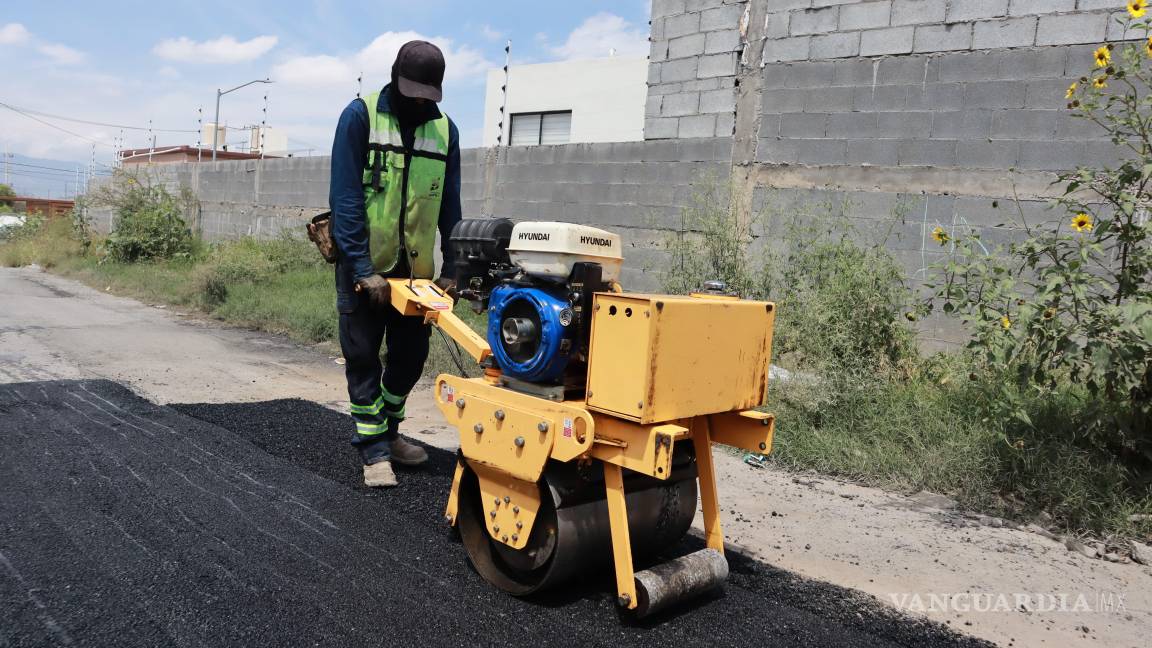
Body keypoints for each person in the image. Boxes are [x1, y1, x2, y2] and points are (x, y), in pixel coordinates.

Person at [328, 40, 461, 487]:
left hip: (416, 272)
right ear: (394, 77)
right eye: (413, 90)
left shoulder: (446, 131)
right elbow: (345, 198)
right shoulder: (360, 116)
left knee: (408, 359)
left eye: (428, 93)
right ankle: (373, 452)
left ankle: (389, 432)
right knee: (363, 356)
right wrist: (363, 267)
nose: (420, 100)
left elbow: (450, 207)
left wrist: (455, 269)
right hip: (363, 265)